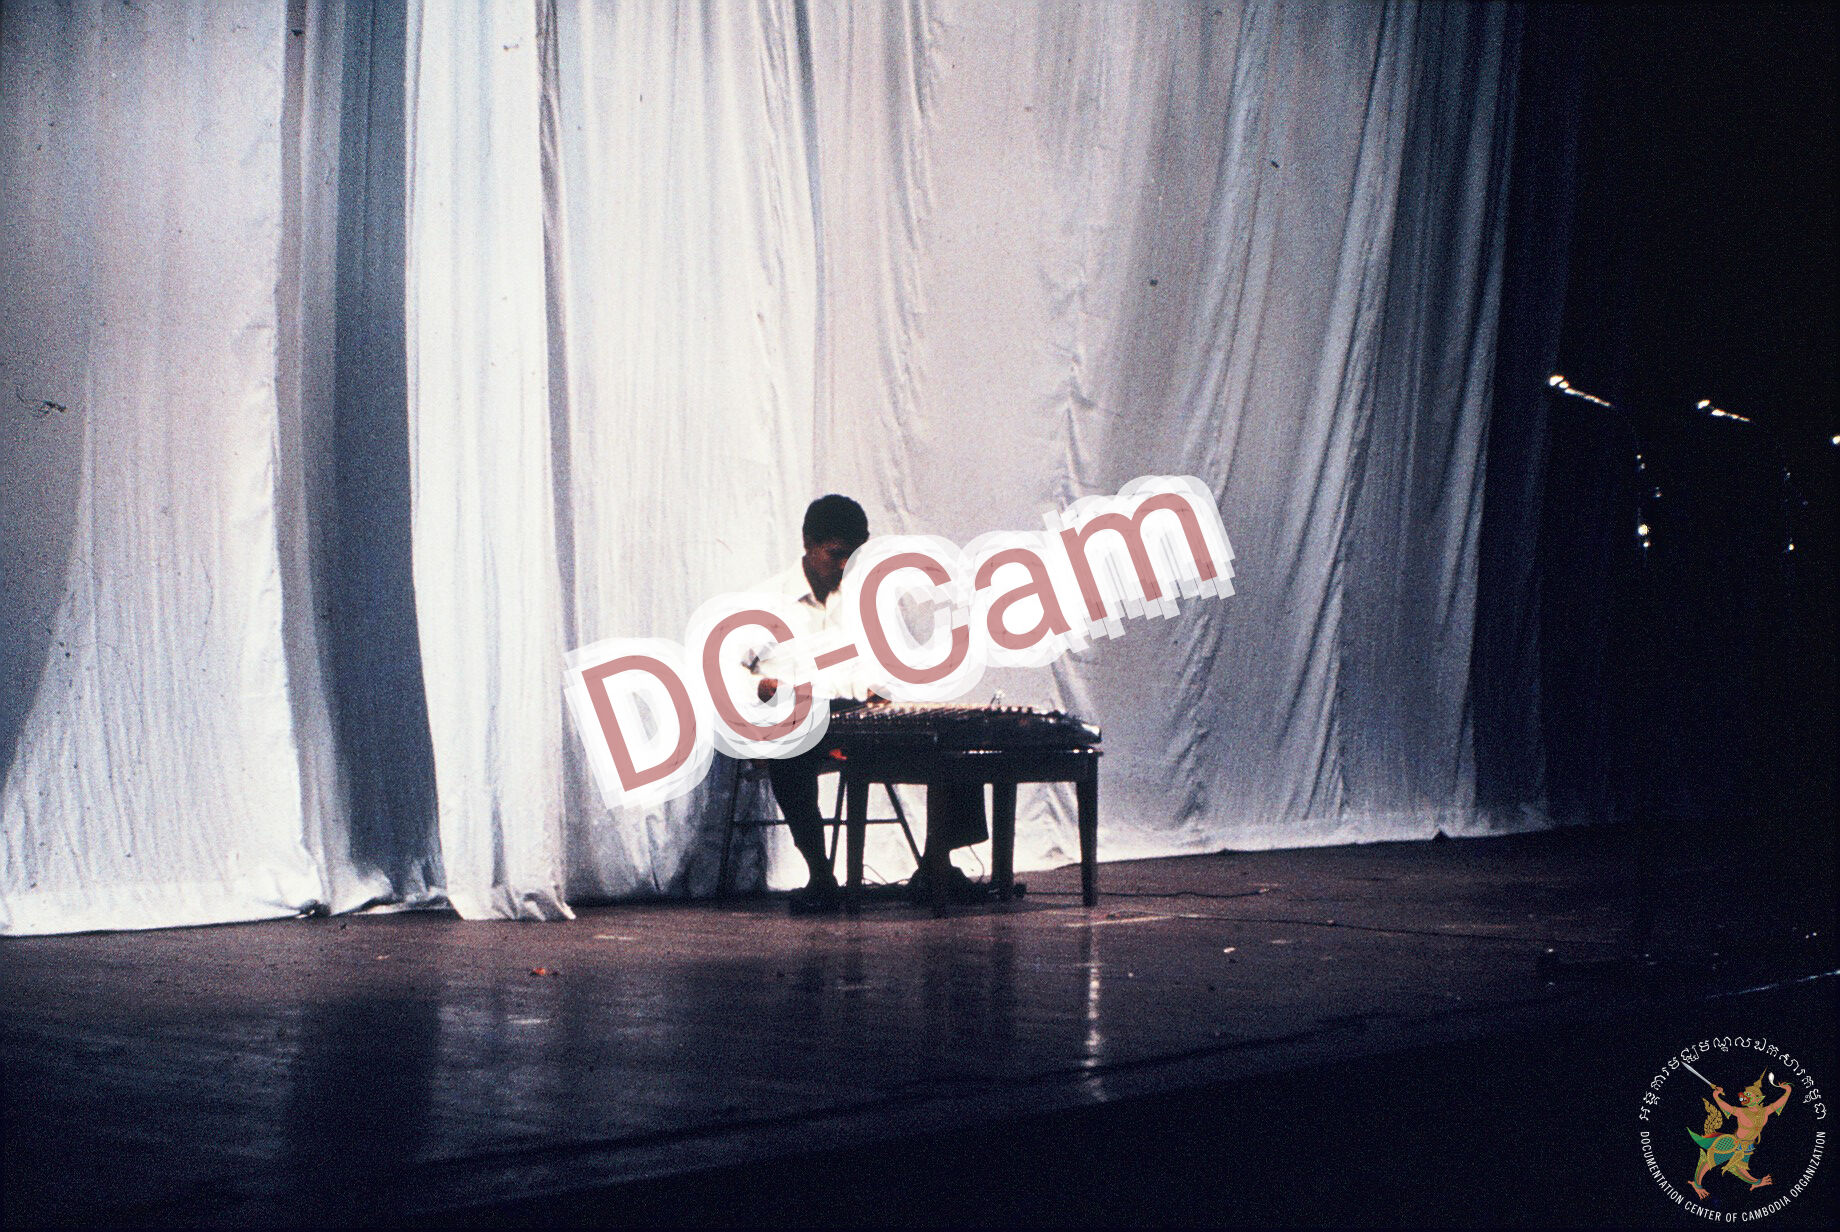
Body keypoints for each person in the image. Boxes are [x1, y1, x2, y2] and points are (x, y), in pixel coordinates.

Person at [746, 495, 987, 912]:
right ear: (807, 543)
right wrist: (759, 686)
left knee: (952, 737)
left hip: (857, 720)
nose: (844, 566)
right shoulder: (765, 601)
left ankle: (937, 864)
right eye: (835, 554)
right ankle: (820, 876)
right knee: (789, 742)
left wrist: (882, 687)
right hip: (794, 714)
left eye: (853, 557)